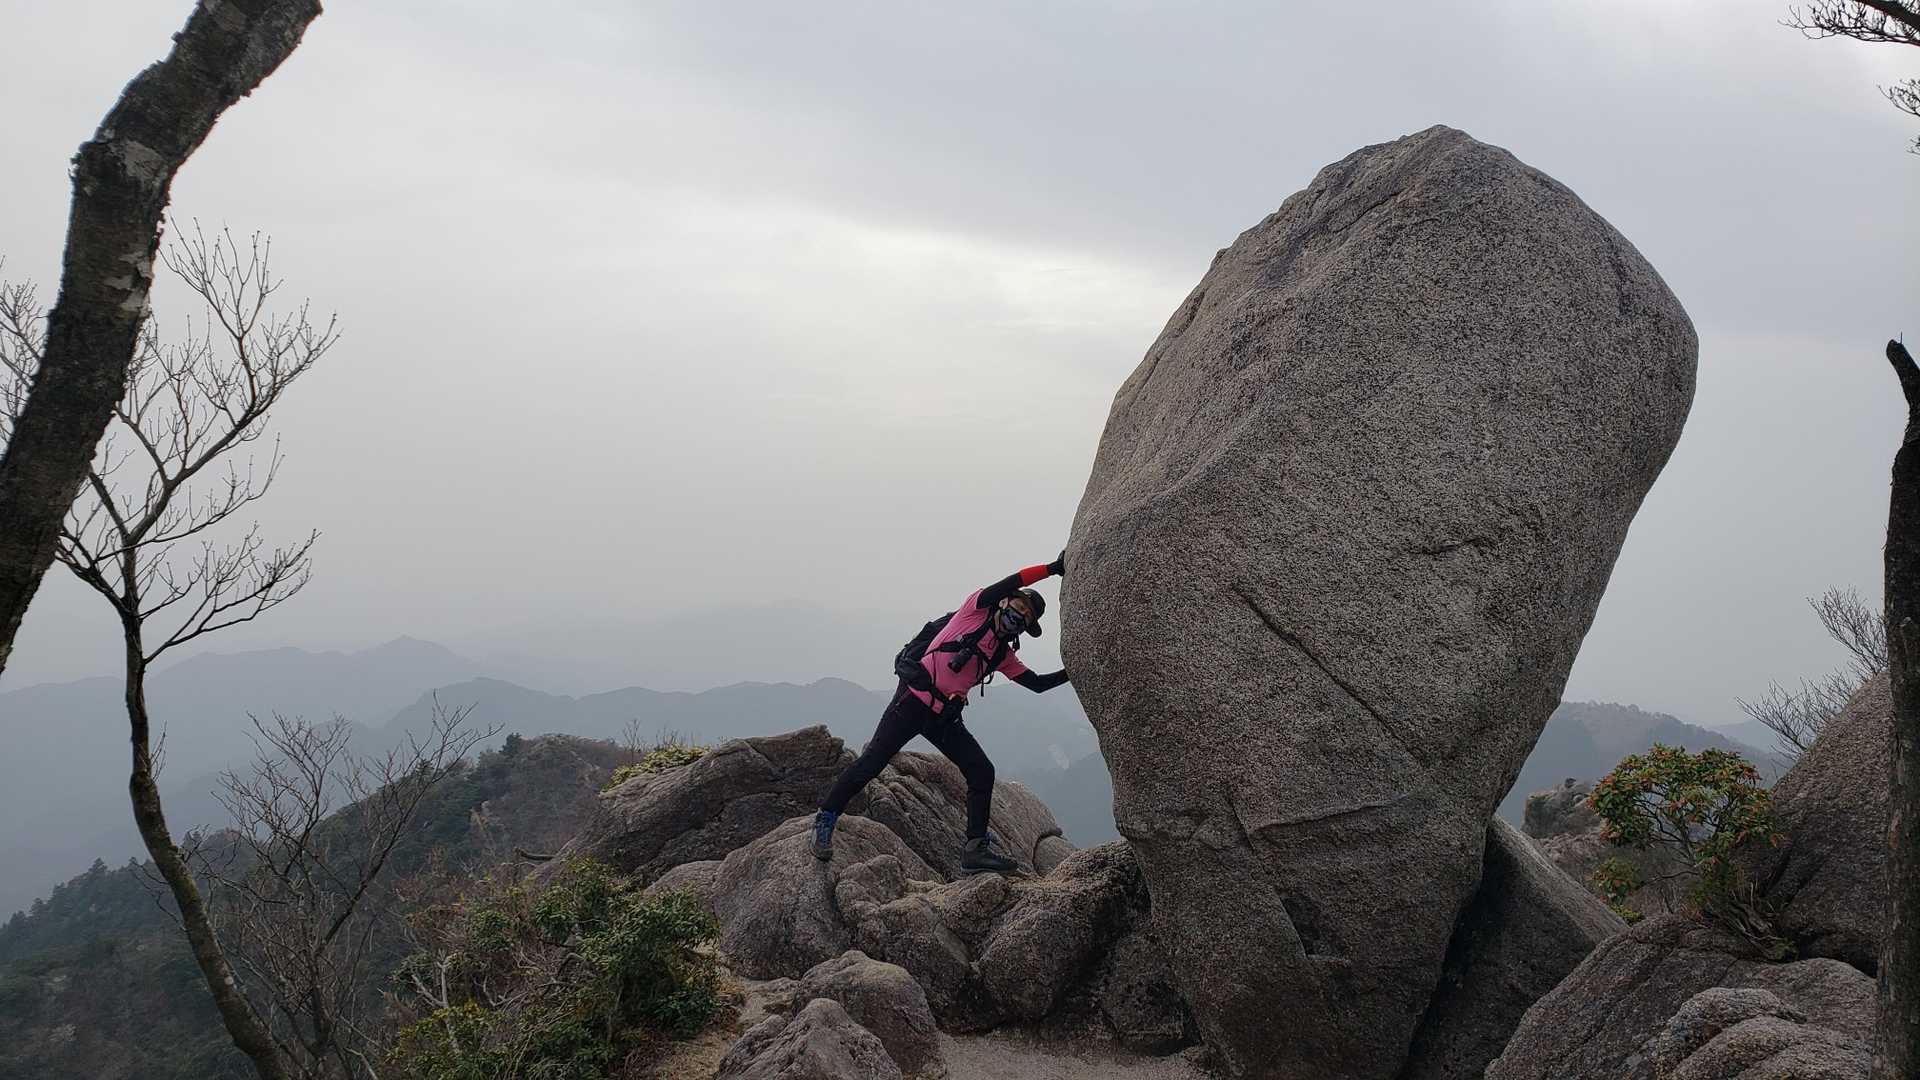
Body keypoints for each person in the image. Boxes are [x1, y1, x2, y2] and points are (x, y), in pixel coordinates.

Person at [813, 552, 1071, 873]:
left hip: (943, 718)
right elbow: (1015, 579)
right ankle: (826, 817)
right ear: (1005, 601)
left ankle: (975, 849)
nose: (1019, 616)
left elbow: (1037, 684)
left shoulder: (1002, 655)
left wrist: (1073, 671)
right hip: (911, 702)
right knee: (872, 762)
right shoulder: (974, 611)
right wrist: (1052, 569)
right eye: (1019, 607)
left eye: (1027, 617)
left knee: (981, 770)